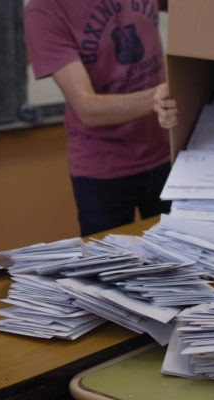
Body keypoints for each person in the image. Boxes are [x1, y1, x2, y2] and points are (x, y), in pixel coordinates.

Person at [24, 0, 178, 237]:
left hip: (166, 154)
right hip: (103, 171)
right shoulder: (44, 10)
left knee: (184, 253)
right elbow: (88, 108)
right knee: (109, 259)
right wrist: (157, 97)